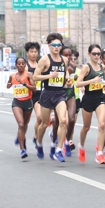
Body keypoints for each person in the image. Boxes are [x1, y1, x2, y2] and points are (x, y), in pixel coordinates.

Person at [33, 33, 72, 162]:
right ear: (49, 46)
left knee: (63, 121)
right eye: (54, 45)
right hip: (47, 94)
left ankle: (58, 150)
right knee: (44, 124)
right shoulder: (44, 60)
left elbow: (65, 72)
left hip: (60, 94)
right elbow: (35, 77)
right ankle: (39, 144)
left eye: (58, 45)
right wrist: (49, 76)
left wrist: (67, 79)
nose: (56, 47)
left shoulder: (64, 60)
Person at [75, 44, 105, 165]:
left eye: (99, 54)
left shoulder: (102, 66)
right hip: (88, 98)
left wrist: (103, 84)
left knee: (102, 124)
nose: (96, 56)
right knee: (86, 127)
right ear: (89, 54)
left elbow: (101, 80)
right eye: (94, 53)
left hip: (100, 97)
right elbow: (78, 84)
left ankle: (100, 153)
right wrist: (92, 81)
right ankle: (81, 146)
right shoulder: (86, 67)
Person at [50, 46, 77, 157]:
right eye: (66, 55)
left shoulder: (73, 66)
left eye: (70, 55)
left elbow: (71, 74)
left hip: (70, 93)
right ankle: (54, 141)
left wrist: (73, 78)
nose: (68, 57)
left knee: (71, 120)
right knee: (58, 121)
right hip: (58, 93)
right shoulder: (56, 65)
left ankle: (66, 140)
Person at [7, 57, 37, 159]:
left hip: (28, 102)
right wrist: (9, 83)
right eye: (19, 64)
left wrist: (24, 83)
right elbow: (8, 85)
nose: (21, 65)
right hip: (17, 103)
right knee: (20, 124)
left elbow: (34, 89)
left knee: (25, 124)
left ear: (25, 65)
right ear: (16, 65)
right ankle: (22, 149)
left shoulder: (29, 75)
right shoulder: (12, 75)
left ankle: (20, 137)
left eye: (23, 63)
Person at [25, 42, 44, 150]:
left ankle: (36, 137)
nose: (33, 54)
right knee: (24, 122)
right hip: (26, 96)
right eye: (31, 51)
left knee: (40, 118)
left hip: (38, 94)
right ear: (27, 53)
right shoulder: (24, 66)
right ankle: (21, 138)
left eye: (35, 51)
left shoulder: (40, 66)